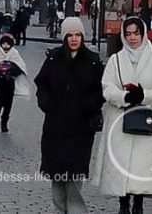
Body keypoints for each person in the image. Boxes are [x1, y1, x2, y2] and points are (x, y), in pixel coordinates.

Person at [91, 17, 152, 214]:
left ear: (143, 33)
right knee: (120, 163)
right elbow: (106, 87)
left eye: (136, 33)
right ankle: (123, 203)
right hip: (120, 118)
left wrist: (144, 95)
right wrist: (124, 96)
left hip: (147, 118)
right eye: (128, 33)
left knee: (141, 164)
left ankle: (138, 201)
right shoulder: (115, 60)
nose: (132, 38)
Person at [34, 17, 104, 214]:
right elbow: (42, 83)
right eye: (70, 35)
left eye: (78, 35)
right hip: (55, 127)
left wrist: (89, 105)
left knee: (73, 178)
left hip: (81, 128)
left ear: (82, 36)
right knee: (56, 175)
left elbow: (101, 90)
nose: (74, 39)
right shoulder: (54, 58)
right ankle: (59, 210)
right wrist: (46, 103)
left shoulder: (92, 61)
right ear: (64, 37)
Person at [0, 34, 30, 132]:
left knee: (8, 104)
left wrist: (11, 72)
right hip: (0, 82)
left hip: (10, 82)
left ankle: (4, 123)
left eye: (8, 44)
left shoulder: (14, 54)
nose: (6, 46)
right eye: (4, 43)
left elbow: (21, 67)